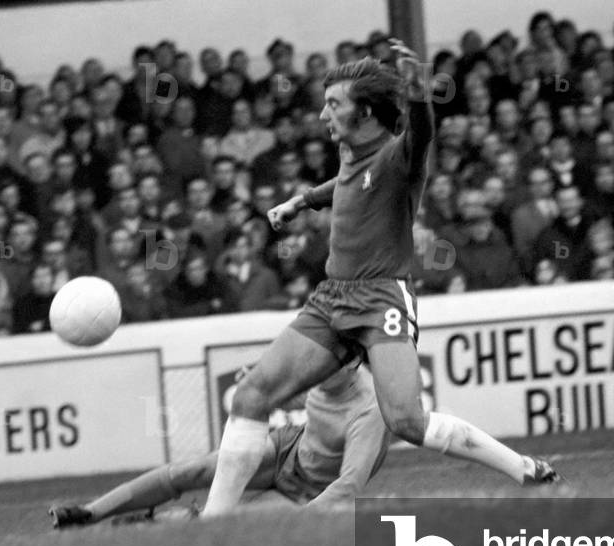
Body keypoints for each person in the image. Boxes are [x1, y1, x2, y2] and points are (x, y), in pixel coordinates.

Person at [203, 43, 554, 518]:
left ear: (365, 111)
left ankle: (524, 470)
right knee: (250, 395)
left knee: (406, 420)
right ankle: (212, 524)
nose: (323, 112)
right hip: (331, 299)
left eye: (334, 104)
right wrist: (302, 201)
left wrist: (419, 94)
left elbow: (424, 135)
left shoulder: (397, 158)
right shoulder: (352, 153)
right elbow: (346, 185)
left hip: (381, 300)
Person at [48, 361, 557, 528]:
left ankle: (150, 526)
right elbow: (262, 381)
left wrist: (301, 523)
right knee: (191, 471)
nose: (314, 360)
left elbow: (350, 484)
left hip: (304, 492)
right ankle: (88, 515)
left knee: (216, 525)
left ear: (353, 359)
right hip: (286, 449)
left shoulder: (371, 411)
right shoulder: (317, 367)